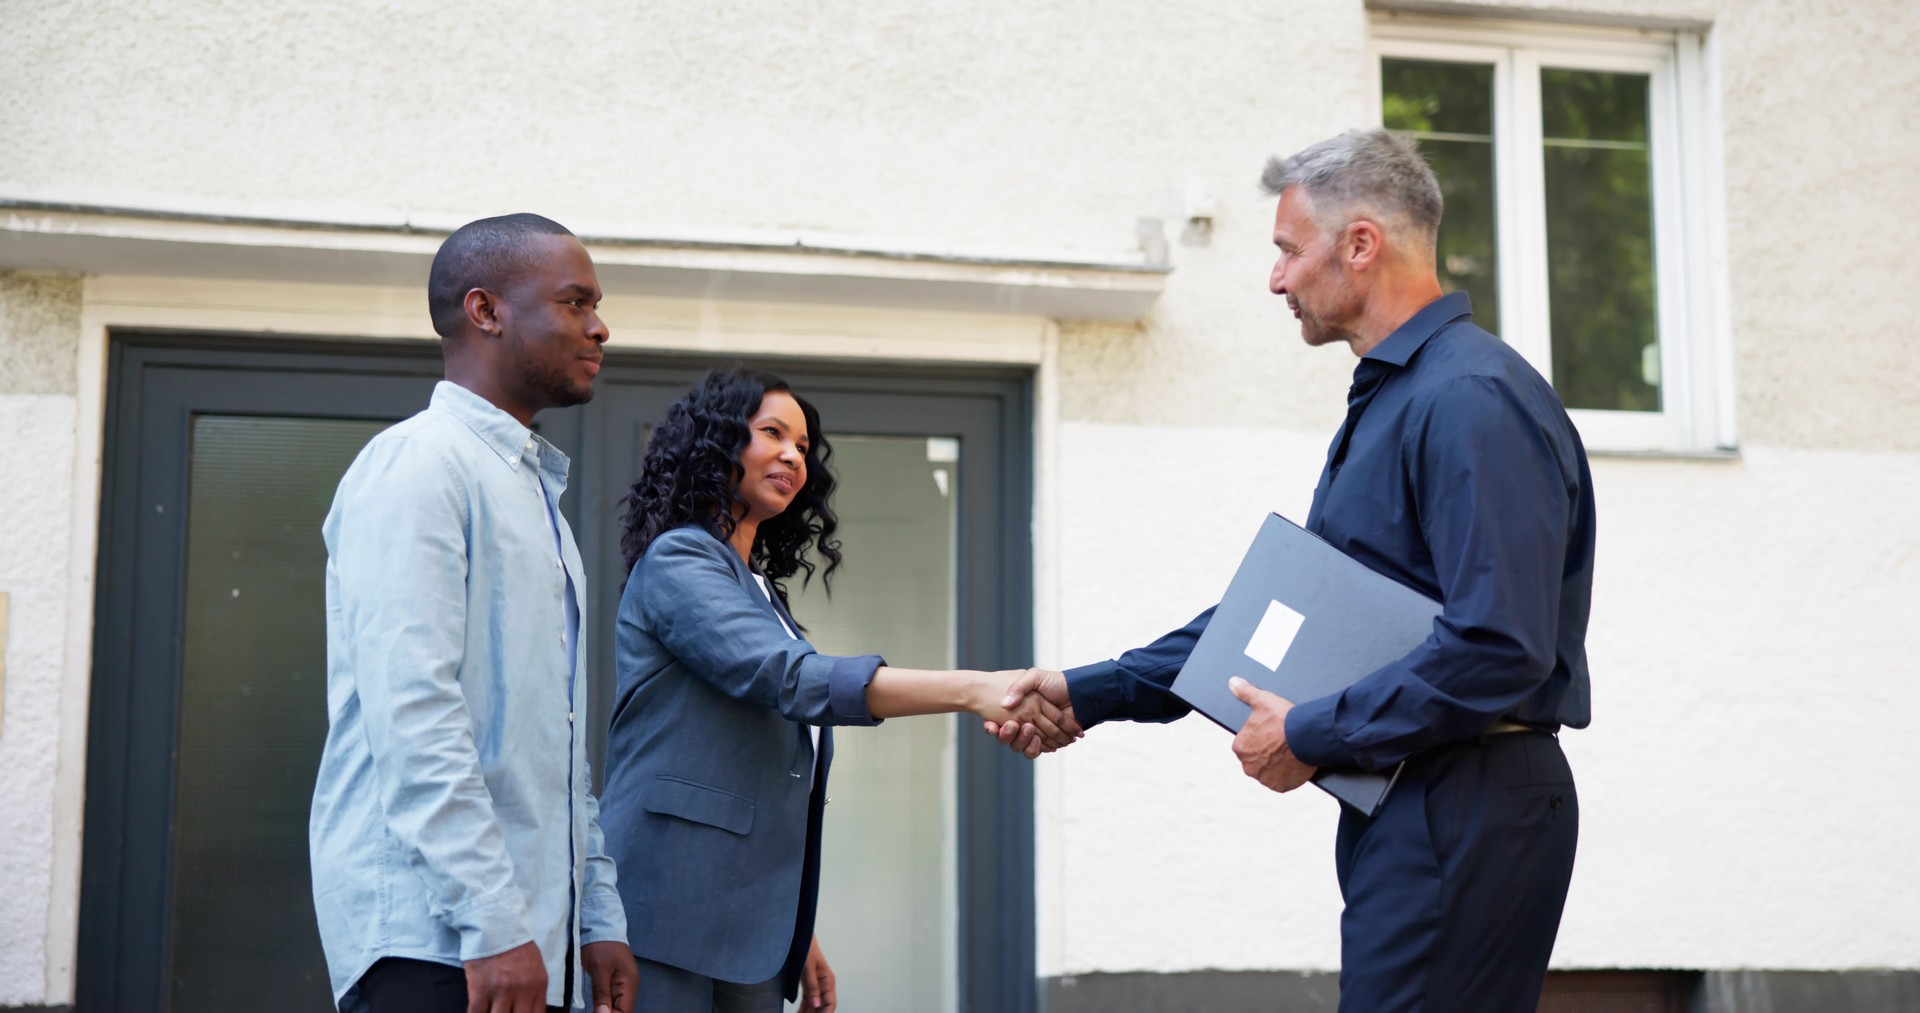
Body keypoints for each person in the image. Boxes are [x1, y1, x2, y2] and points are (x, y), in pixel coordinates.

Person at [993, 128, 1596, 1011]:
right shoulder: (1403, 396)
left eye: (1286, 250)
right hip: (1420, 796)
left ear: (1360, 244)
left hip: (1464, 801)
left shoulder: (1466, 398)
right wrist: (1089, 690)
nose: (1276, 279)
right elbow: (1279, 623)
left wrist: (1312, 732)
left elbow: (1501, 645)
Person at [599, 367, 1077, 1013]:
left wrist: (794, 930)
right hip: (662, 914)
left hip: (746, 934)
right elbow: (789, 677)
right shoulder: (679, 560)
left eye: (801, 444)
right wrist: (972, 689)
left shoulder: (758, 588)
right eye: (773, 433)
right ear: (716, 442)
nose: (793, 455)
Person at [310, 213, 641, 1013]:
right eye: (574, 301)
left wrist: (595, 913)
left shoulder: (536, 496)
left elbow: (554, 741)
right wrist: (492, 919)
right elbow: (414, 714)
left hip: (528, 941)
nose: (601, 325)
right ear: (486, 310)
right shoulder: (420, 465)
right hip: (437, 942)